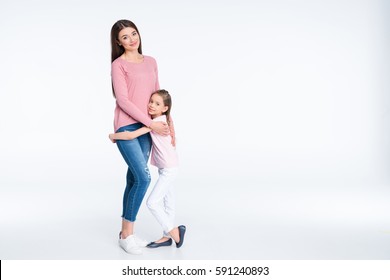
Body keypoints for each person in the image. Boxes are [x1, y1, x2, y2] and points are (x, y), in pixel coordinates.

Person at [110, 19, 171, 255]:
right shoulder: (118, 65)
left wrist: (166, 123)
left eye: (133, 33)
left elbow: (158, 95)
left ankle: (125, 232)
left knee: (134, 179)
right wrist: (150, 124)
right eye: (125, 37)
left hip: (149, 128)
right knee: (144, 178)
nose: (131, 39)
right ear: (118, 42)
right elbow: (122, 100)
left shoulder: (151, 62)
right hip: (127, 126)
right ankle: (127, 235)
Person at [110, 90, 186, 249]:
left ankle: (174, 232)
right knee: (168, 201)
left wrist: (113, 136)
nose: (151, 105)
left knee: (152, 202)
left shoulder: (157, 123)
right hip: (169, 166)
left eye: (157, 104)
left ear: (165, 108)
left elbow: (131, 136)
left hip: (169, 169)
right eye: (151, 101)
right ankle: (167, 237)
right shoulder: (164, 120)